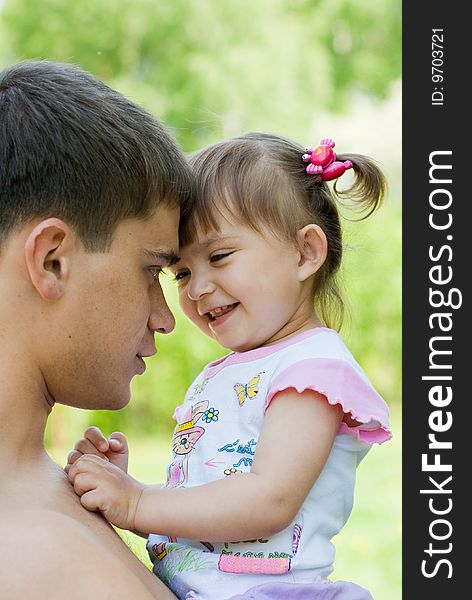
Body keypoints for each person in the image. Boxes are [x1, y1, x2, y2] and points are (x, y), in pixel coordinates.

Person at [67, 134, 392, 600]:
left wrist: (139, 502)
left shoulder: (312, 371)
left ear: (305, 253)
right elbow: (207, 531)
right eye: (180, 272)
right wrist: (126, 490)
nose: (196, 289)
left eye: (219, 257)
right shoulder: (227, 373)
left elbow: (268, 501)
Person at [0, 59, 194, 599]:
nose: (166, 317)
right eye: (152, 270)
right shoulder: (28, 557)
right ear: (53, 260)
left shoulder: (62, 490)